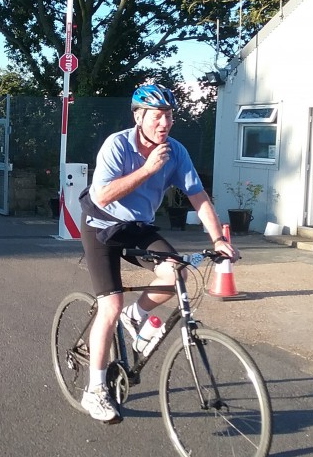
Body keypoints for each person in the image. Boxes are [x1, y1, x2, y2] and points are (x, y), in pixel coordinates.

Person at [76, 84, 239, 424]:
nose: (165, 123)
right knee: (110, 305)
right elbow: (103, 195)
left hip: (138, 225)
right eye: (157, 116)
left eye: (169, 116)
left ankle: (137, 316)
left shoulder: (176, 151)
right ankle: (94, 390)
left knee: (175, 270)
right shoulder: (117, 145)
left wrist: (217, 237)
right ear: (139, 117)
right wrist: (148, 170)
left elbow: (198, 196)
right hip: (101, 225)